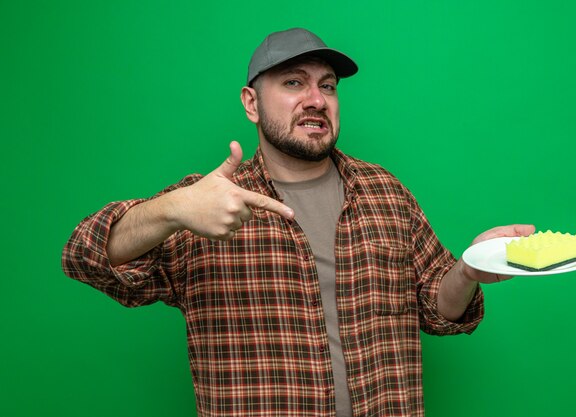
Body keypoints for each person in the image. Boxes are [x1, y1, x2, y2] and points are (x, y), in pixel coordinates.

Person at [62, 28, 534, 417]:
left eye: (326, 85)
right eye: (293, 83)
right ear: (251, 103)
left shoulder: (385, 193)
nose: (316, 99)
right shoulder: (202, 205)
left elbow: (437, 308)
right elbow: (85, 256)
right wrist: (169, 211)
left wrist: (468, 270)